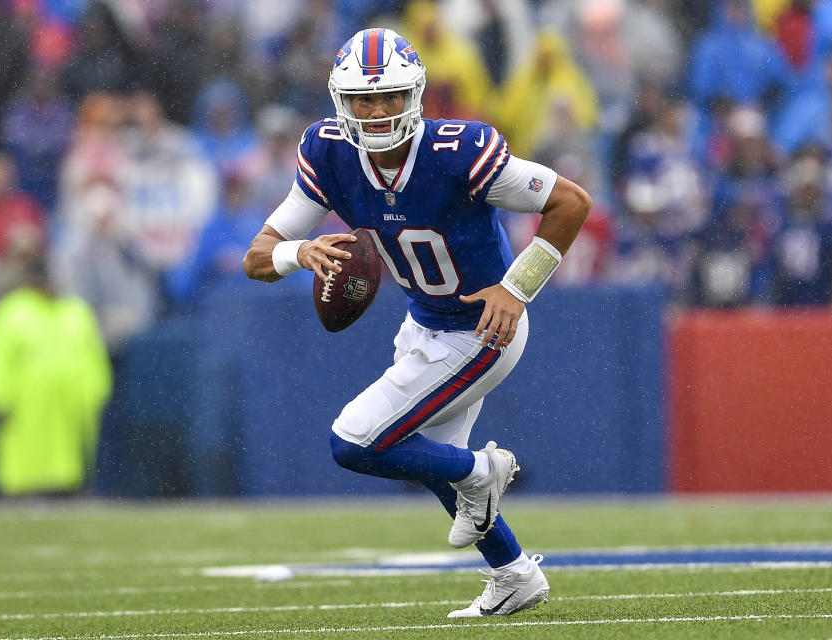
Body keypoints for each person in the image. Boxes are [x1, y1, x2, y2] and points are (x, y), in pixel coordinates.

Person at [243, 28, 591, 617]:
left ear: (416, 96)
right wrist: (297, 252)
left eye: (389, 97)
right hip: (425, 324)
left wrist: (517, 288)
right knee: (427, 461)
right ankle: (514, 575)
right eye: (363, 100)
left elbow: (571, 202)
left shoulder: (459, 152)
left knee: (354, 440)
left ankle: (483, 471)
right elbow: (257, 256)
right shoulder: (329, 154)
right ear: (341, 103)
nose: (377, 112)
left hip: (483, 329)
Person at [0, 242, 112, 497]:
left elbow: (93, 357)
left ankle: (69, 492)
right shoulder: (11, 312)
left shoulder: (76, 311)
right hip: (25, 408)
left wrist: (96, 393)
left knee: (68, 468)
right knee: (24, 464)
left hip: (69, 408)